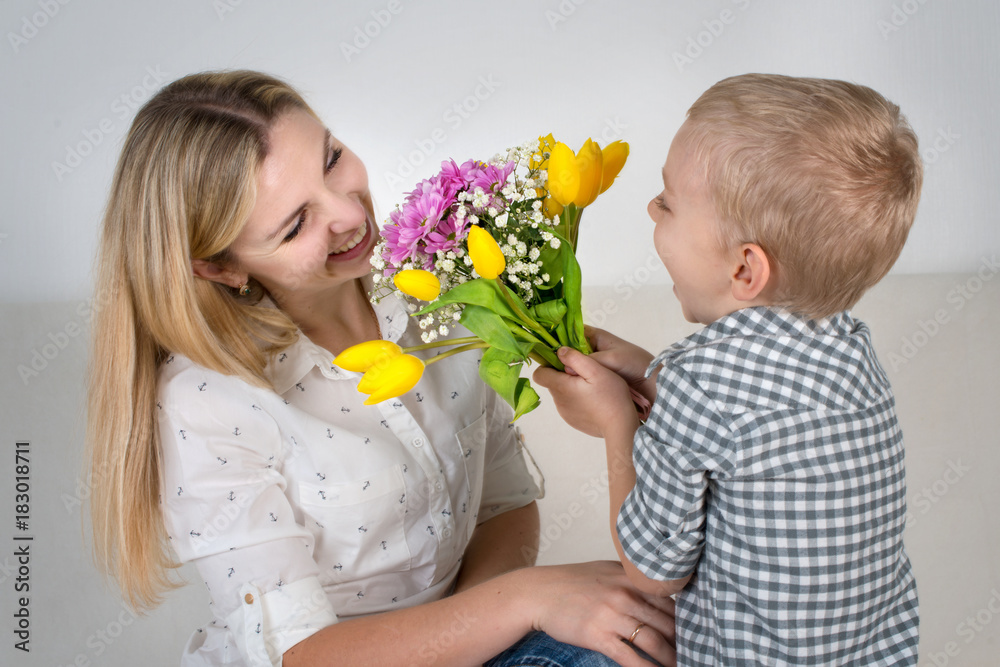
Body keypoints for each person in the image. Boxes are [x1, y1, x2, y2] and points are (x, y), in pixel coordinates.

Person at [85, 70, 678, 667]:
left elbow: (505, 504)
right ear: (219, 268)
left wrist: (485, 631)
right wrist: (527, 600)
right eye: (296, 224)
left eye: (333, 159)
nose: (348, 213)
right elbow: (301, 654)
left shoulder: (440, 294)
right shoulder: (210, 401)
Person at [534, 73, 922, 666]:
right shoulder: (854, 349)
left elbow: (652, 570)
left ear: (745, 270)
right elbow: (760, 429)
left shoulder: (697, 385)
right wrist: (650, 371)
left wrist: (617, 422)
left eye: (667, 202)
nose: (649, 207)